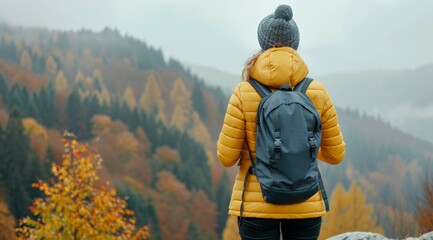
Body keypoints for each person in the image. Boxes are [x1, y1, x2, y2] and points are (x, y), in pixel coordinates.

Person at [217, 4, 346, 240]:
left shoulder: (243, 92)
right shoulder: (317, 91)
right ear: (294, 44)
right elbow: (335, 155)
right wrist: (298, 146)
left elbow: (226, 158)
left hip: (257, 206)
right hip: (306, 202)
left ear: (263, 43)